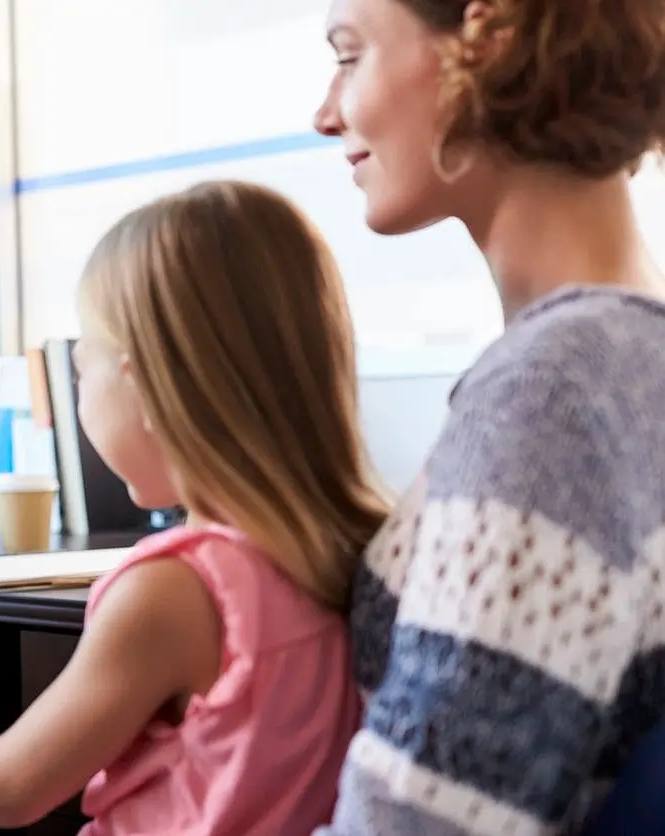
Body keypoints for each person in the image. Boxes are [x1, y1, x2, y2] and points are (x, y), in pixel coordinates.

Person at [0, 180, 390, 834]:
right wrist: (0, 752)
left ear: (142, 381)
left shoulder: (174, 588)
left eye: (83, 367)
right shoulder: (351, 548)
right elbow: (212, 762)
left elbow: (4, 791)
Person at [313, 0, 665, 833]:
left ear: (489, 44)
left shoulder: (551, 393)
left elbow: (417, 823)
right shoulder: (620, 358)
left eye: (350, 56)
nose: (325, 114)